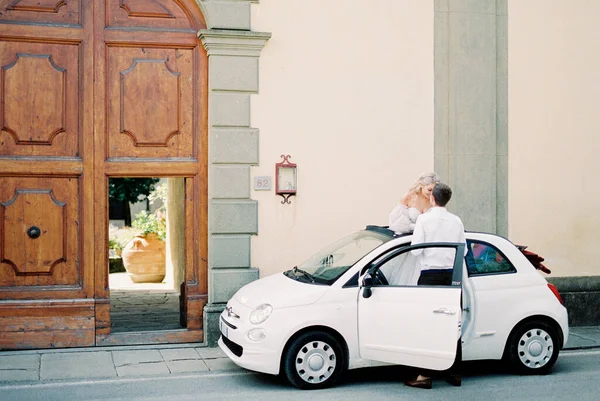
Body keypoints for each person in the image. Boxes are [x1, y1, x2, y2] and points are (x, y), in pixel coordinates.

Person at [404, 182, 466, 389]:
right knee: (452, 324)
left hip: (430, 276)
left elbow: (415, 250)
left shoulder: (424, 219)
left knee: (427, 325)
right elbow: (463, 251)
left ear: (432, 198)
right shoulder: (456, 221)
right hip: (451, 276)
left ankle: (424, 375)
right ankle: (455, 372)